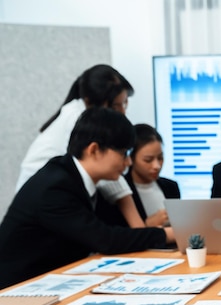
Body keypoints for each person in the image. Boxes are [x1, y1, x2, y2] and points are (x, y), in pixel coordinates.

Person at [0, 107, 175, 290]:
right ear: (94, 150)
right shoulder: (56, 187)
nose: (128, 163)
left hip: (50, 283)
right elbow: (106, 239)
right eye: (123, 154)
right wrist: (169, 233)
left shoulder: (80, 179)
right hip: (15, 291)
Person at [15, 64, 145, 228]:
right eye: (114, 106)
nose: (122, 112)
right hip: (42, 199)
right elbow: (110, 178)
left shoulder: (77, 111)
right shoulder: (78, 119)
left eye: (124, 104)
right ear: (91, 102)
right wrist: (139, 227)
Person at [98, 124, 180, 228]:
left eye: (160, 158)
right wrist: (148, 225)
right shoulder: (119, 190)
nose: (157, 166)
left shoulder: (171, 187)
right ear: (131, 158)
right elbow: (117, 234)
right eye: (148, 160)